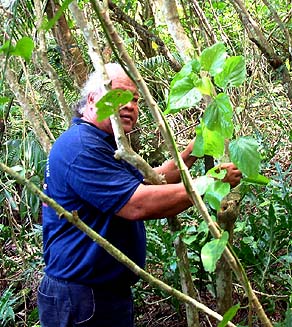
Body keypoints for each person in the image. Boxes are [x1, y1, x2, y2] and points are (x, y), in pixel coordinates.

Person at [37, 63, 242, 327]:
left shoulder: (104, 144)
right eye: (119, 96)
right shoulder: (80, 147)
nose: (131, 106)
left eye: (135, 100)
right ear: (91, 99)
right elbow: (137, 203)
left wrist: (194, 149)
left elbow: (151, 181)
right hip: (80, 298)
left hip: (103, 294)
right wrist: (212, 183)